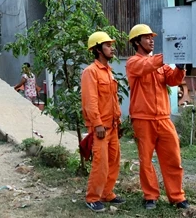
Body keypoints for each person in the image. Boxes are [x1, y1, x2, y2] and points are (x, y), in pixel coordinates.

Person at [126, 24, 190, 210]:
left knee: (173, 159)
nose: (151, 40)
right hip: (142, 119)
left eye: (151, 37)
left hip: (163, 118)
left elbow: (174, 80)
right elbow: (148, 65)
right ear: (137, 42)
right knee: (146, 161)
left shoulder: (159, 64)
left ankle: (177, 197)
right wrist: (170, 54)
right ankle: (150, 196)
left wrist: (180, 67)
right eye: (146, 37)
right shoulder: (133, 63)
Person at [81, 31, 125, 213]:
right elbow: (90, 101)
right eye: (107, 45)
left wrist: (119, 120)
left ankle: (107, 193)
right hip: (101, 128)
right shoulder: (90, 72)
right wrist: (97, 124)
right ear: (98, 49)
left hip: (113, 126)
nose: (111, 48)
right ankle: (92, 197)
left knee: (114, 160)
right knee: (101, 164)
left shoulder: (108, 71)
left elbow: (112, 100)